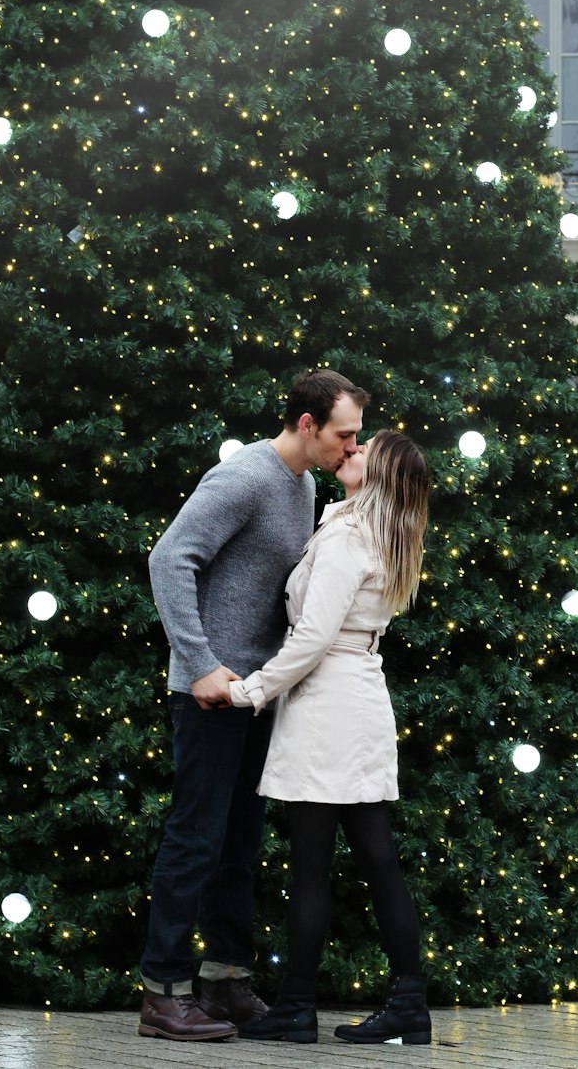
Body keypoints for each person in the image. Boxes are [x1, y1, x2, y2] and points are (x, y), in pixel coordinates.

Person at [138, 369, 368, 1043]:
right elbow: (169, 557)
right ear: (307, 425)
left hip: (254, 696)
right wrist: (202, 663)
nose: (352, 450)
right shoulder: (244, 477)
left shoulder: (301, 486)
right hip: (209, 695)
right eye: (343, 436)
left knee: (237, 844)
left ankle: (225, 981)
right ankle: (164, 991)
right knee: (194, 838)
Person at [227, 429, 431, 1047]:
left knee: (312, 863)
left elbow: (312, 638)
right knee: (378, 860)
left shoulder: (347, 536)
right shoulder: (379, 534)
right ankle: (409, 1006)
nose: (351, 451)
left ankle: (295, 1010)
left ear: (381, 474)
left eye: (365, 450)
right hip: (361, 697)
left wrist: (251, 690)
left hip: (328, 704)